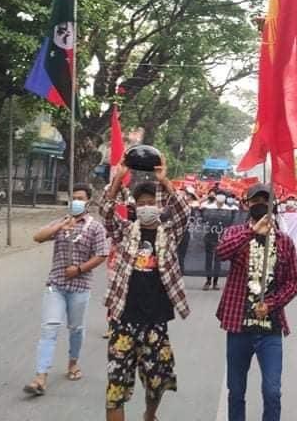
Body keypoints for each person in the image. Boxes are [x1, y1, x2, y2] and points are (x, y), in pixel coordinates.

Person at [101, 157, 190, 421]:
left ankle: (149, 415)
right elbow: (106, 213)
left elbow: (185, 211)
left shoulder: (170, 233)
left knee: (157, 382)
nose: (146, 208)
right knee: (116, 386)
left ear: (159, 206)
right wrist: (118, 179)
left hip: (156, 322)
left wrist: (164, 180)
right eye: (141, 204)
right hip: (123, 321)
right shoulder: (125, 232)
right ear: (134, 208)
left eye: (151, 203)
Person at [217, 184, 297, 421]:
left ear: (273, 205)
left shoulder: (284, 242)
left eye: (266, 201)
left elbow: (293, 282)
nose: (260, 205)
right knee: (236, 391)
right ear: (246, 204)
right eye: (255, 201)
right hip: (238, 326)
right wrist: (253, 232)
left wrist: (271, 304)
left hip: (270, 329)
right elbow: (222, 252)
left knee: (272, 391)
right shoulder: (235, 233)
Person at [23, 184, 107, 397]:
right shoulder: (62, 222)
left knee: (76, 328)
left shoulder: (95, 227)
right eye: (74, 198)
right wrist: (60, 227)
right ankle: (40, 376)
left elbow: (101, 254)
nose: (76, 201)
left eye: (80, 198)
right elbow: (38, 237)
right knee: (49, 327)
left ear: (88, 201)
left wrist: (78, 269)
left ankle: (73, 363)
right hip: (56, 285)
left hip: (79, 287)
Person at [201, 190, 234, 290]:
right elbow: (204, 220)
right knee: (208, 259)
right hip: (209, 236)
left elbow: (230, 223)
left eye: (222, 196)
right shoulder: (208, 208)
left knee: (218, 260)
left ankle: (215, 282)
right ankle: (208, 280)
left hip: (221, 238)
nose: (220, 197)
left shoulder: (229, 209)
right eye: (219, 195)